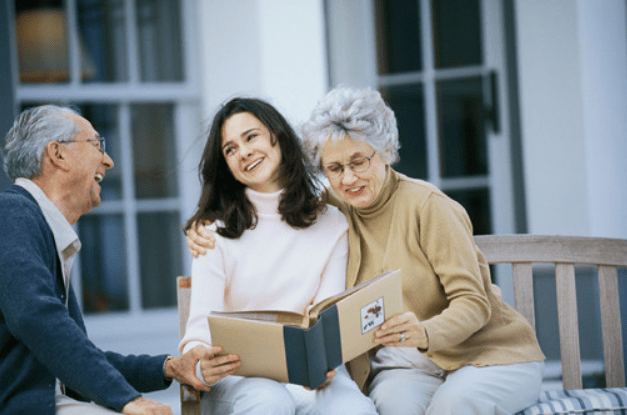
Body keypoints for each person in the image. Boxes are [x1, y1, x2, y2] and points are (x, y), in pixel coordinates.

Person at [188, 87, 546, 415]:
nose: (348, 179)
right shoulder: (331, 210)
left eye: (359, 162)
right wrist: (199, 225)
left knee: (452, 407)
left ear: (386, 151)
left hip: (484, 355)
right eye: (335, 168)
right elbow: (277, 220)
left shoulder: (428, 206)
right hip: (410, 364)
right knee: (391, 406)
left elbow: (475, 302)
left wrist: (425, 332)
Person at [0, 105, 212, 415]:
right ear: (57, 154)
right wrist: (128, 399)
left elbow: (77, 353)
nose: (108, 160)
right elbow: (36, 317)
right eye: (97, 145)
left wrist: (168, 368)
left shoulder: (34, 223)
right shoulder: (12, 213)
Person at [178, 97, 377, 415]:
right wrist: (200, 359)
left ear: (278, 136)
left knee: (355, 411)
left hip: (313, 377)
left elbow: (325, 314)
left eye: (251, 137)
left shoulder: (331, 222)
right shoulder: (213, 233)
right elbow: (199, 328)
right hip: (240, 377)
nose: (243, 152)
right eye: (230, 149)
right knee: (270, 401)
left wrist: (323, 359)